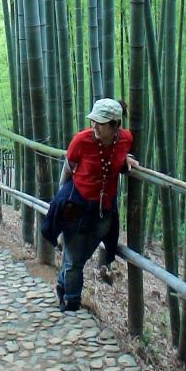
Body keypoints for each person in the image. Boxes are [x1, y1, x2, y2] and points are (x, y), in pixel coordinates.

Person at [41, 98, 139, 312]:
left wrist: (128, 158)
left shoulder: (125, 139)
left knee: (78, 257)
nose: (94, 126)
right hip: (77, 208)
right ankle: (72, 303)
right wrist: (61, 199)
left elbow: (124, 153)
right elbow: (67, 170)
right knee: (75, 259)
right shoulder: (81, 140)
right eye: (93, 121)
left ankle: (61, 283)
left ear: (115, 125)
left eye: (100, 123)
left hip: (104, 211)